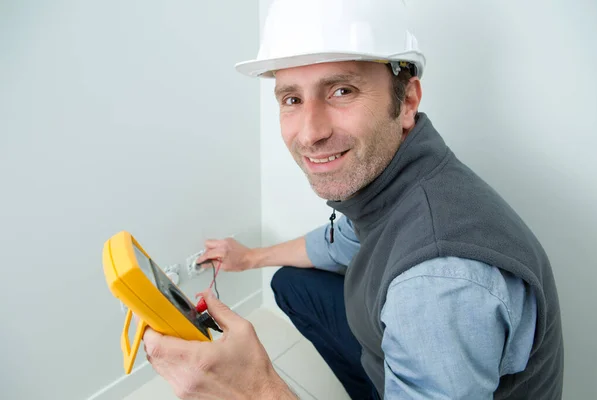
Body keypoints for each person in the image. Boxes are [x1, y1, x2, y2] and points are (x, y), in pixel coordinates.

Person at [142, 0, 564, 399]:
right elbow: (341, 242)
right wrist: (251, 257)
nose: (309, 134)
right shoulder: (400, 180)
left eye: (341, 90)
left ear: (407, 101)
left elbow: (422, 286)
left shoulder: (435, 288)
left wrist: (254, 388)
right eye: (292, 99)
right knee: (291, 283)